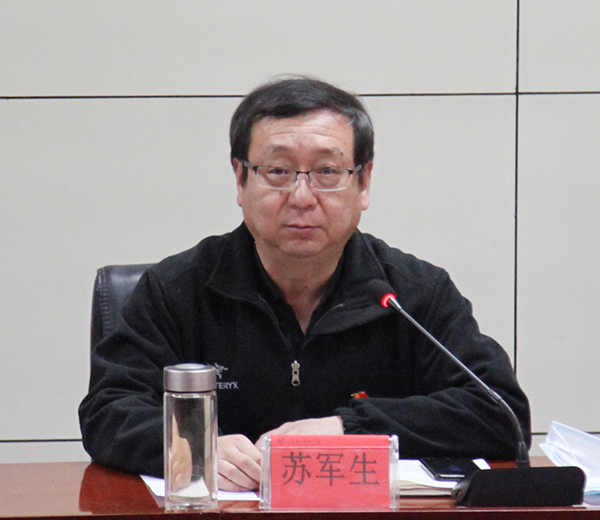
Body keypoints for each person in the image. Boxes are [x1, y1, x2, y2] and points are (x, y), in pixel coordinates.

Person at [79, 76, 531, 492]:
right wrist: (194, 449)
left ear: (364, 183)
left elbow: (501, 413)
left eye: (327, 172)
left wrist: (349, 428)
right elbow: (107, 410)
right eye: (278, 171)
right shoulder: (178, 289)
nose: (301, 197)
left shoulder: (412, 294)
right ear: (240, 179)